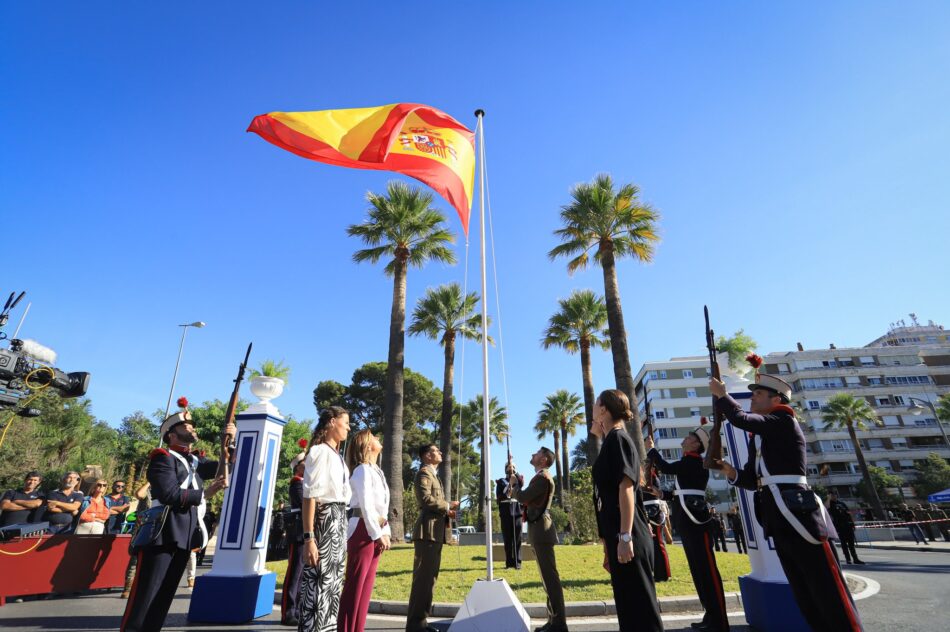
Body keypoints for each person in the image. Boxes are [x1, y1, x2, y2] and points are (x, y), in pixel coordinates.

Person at [710, 374, 863, 632]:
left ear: (776, 399)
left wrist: (722, 395)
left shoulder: (783, 420)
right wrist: (730, 471)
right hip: (777, 515)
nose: (752, 398)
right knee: (803, 589)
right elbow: (752, 478)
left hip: (798, 512)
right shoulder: (761, 436)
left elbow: (740, 419)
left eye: (758, 394)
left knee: (826, 587)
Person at [120, 406, 231, 632]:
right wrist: (205, 494)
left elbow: (224, 467)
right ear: (172, 434)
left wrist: (229, 440)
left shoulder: (194, 462)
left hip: (184, 536)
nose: (191, 428)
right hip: (162, 534)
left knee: (163, 598)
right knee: (145, 597)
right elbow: (169, 494)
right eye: (186, 425)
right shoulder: (163, 458)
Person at [592, 389, 664, 632]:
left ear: (603, 409)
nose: (592, 410)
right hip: (619, 536)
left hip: (629, 535)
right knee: (630, 610)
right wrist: (609, 546)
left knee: (641, 611)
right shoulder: (611, 441)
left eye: (595, 405)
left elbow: (626, 490)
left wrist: (624, 537)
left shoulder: (619, 439)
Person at [646, 423, 728, 632]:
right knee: (698, 570)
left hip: (696, 521)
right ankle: (710, 615)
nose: (685, 438)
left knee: (706, 570)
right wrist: (662, 494)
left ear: (696, 444)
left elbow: (666, 468)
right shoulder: (688, 462)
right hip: (688, 518)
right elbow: (682, 492)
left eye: (689, 436)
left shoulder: (693, 461)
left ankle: (719, 620)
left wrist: (652, 449)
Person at [299, 406, 352, 632]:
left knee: (332, 586)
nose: (348, 428)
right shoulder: (319, 451)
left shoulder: (337, 456)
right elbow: (310, 495)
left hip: (339, 520)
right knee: (319, 584)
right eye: (345, 422)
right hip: (325, 520)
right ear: (332, 422)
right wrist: (309, 538)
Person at [510, 447, 569, 632]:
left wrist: (515, 487)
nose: (532, 455)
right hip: (539, 529)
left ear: (543, 459)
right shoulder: (540, 477)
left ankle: (559, 624)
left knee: (550, 578)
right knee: (546, 578)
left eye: (535, 454)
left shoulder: (543, 478)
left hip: (542, 531)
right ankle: (553, 620)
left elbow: (524, 497)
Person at [338, 429, 391, 632]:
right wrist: (377, 534)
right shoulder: (362, 470)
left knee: (366, 589)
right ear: (368, 445)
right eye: (374, 438)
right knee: (355, 587)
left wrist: (384, 531)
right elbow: (367, 507)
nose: (378, 439)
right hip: (362, 530)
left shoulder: (377, 470)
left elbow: (382, 508)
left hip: (373, 529)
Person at [406, 444, 458, 632]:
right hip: (427, 534)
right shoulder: (424, 474)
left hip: (435, 533)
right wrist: (446, 506)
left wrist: (448, 508)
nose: (441, 452)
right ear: (427, 456)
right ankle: (415, 625)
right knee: (422, 581)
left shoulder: (433, 475)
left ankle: (421, 623)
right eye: (437, 450)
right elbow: (425, 499)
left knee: (429, 580)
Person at [281, 451, 306, 626]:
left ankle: (297, 609)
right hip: (297, 532)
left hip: (304, 533)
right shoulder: (297, 484)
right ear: (298, 467)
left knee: (302, 574)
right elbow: (304, 504)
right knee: (294, 573)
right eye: (305, 463)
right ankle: (288, 612)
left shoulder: (306, 484)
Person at [122, 480, 151, 599]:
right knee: (135, 557)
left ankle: (143, 588)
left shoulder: (167, 492)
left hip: (158, 529)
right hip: (142, 528)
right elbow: (139, 494)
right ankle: (127, 588)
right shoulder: (148, 491)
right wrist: (149, 482)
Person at [642, 469, 671, 582]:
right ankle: (659, 573)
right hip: (649, 511)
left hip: (653, 512)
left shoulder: (651, 477)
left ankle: (663, 574)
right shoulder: (649, 476)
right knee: (655, 545)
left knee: (658, 545)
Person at [496, 459, 525, 569]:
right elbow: (502, 495)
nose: (510, 468)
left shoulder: (518, 480)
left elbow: (521, 483)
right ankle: (509, 562)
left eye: (512, 466)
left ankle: (518, 563)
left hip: (517, 513)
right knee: (507, 539)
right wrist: (510, 484)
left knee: (517, 539)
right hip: (505, 512)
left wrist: (515, 473)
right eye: (508, 466)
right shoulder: (501, 481)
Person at [827, 492, 863, 565]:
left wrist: (853, 524)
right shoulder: (830, 504)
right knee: (844, 544)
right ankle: (848, 559)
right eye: (832, 495)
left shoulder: (842, 503)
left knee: (851, 544)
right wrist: (828, 499)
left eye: (835, 495)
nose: (834, 496)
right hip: (840, 527)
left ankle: (855, 559)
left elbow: (849, 513)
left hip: (848, 526)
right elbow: (826, 507)